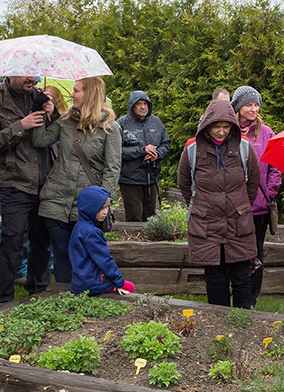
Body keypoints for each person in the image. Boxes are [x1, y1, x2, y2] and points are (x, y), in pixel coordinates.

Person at [32, 77, 122, 284]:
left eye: (76, 91)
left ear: (90, 94)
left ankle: (84, 297)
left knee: (83, 253)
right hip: (56, 198)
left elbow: (113, 167)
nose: (71, 95)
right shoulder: (65, 121)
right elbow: (40, 140)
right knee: (62, 250)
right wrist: (42, 115)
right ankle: (63, 296)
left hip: (87, 205)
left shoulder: (110, 128)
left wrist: (104, 201)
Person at [0, 75, 54, 306]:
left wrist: (53, 114)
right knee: (13, 239)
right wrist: (20, 126)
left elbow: (53, 137)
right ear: (11, 73)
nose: (32, 78)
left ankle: (38, 292)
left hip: (45, 181)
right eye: (26, 73)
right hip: (14, 182)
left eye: (34, 73)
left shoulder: (39, 98)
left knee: (42, 240)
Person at [178, 99, 259, 308]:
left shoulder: (244, 148)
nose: (221, 132)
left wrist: (239, 206)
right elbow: (185, 184)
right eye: (216, 126)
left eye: (225, 127)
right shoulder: (192, 150)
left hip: (238, 223)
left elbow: (252, 184)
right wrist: (202, 207)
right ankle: (218, 323)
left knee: (241, 278)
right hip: (207, 224)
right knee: (215, 280)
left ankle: (243, 320)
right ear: (207, 126)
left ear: (232, 126)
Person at [231, 85, 281, 308]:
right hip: (233, 206)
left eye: (255, 104)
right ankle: (236, 293)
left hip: (259, 207)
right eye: (248, 104)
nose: (253, 109)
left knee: (256, 253)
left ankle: (251, 299)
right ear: (238, 107)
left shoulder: (266, 132)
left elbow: (275, 167)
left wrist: (269, 193)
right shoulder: (228, 131)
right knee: (235, 251)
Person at [69, 186, 134, 296]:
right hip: (92, 284)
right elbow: (104, 260)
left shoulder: (79, 227)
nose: (105, 212)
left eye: (107, 207)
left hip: (78, 281)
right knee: (130, 287)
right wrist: (118, 282)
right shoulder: (92, 233)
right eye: (101, 208)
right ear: (89, 208)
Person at [117, 91, 170, 222]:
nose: (142, 107)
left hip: (151, 177)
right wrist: (142, 150)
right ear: (132, 106)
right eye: (139, 104)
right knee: (134, 217)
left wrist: (157, 154)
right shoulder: (121, 123)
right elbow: (116, 151)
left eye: (145, 103)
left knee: (151, 218)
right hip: (129, 179)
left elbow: (166, 144)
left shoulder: (156, 122)